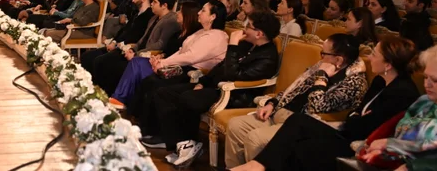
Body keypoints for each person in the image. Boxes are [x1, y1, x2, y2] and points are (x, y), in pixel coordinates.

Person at [232, 36, 420, 171]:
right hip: (347, 129)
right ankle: (256, 166)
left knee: (301, 147)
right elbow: (357, 114)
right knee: (298, 122)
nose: (369, 57)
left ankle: (256, 166)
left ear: (388, 64)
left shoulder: (402, 92)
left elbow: (363, 127)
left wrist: (355, 116)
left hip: (360, 143)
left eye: (375, 53)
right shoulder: (380, 81)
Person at [141, 11, 281, 166]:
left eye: (249, 26)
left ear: (259, 33)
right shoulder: (248, 44)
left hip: (234, 94)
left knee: (188, 98)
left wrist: (233, 46)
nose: (244, 29)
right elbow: (220, 67)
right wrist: (203, 82)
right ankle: (183, 143)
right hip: (214, 86)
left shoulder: (268, 56)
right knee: (164, 93)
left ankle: (188, 143)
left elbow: (233, 75)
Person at [224, 33, 369, 168]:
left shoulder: (353, 83)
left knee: (254, 138)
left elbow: (317, 105)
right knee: (236, 125)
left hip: (302, 124)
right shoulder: (321, 66)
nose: (320, 57)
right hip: (282, 112)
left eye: (324, 53)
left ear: (339, 60)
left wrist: (322, 77)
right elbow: (292, 90)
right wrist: (272, 103)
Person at [356, 44, 437, 170]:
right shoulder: (424, 101)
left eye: (435, 80)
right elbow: (399, 131)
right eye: (425, 77)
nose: (426, 84)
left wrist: (389, 145)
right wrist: (383, 153)